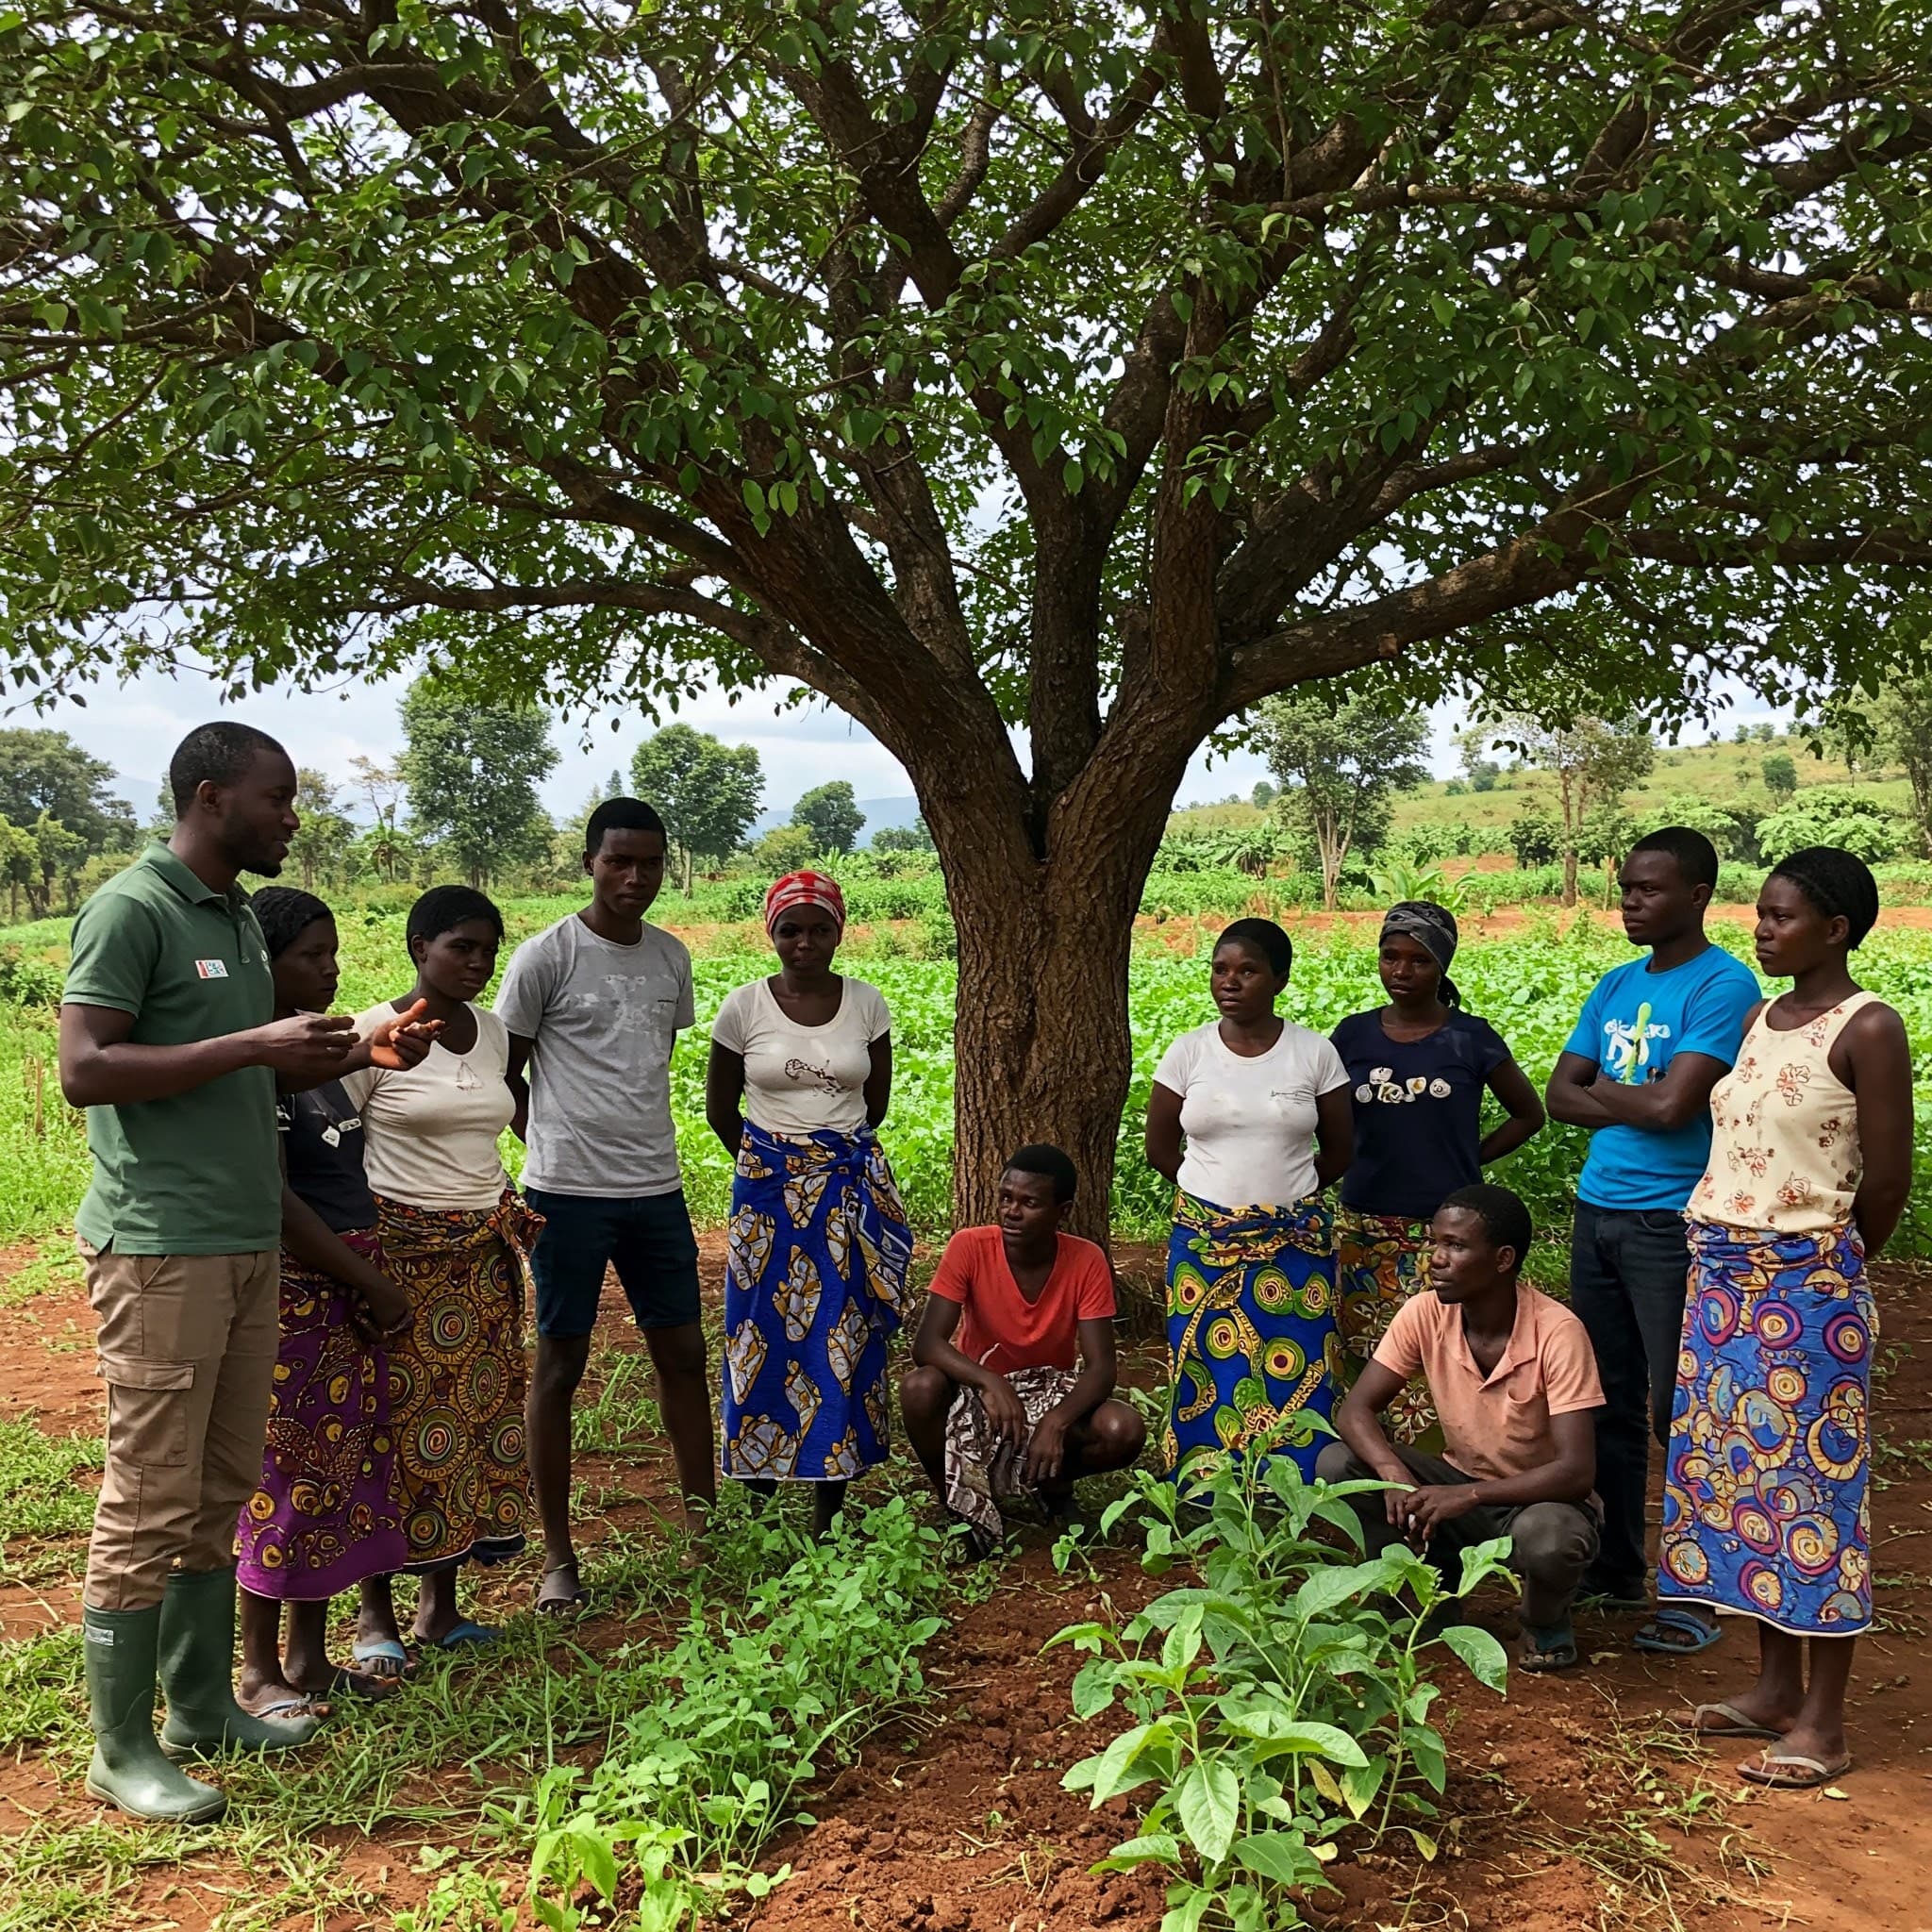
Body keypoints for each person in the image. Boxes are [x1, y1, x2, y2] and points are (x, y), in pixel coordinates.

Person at [58, 724, 360, 1823]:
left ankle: (197, 1707)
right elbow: (84, 1068)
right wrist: (250, 1047)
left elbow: (242, 1062)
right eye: (279, 796)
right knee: (147, 1493)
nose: (293, 814)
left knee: (220, 1482)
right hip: (161, 1245)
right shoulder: (133, 908)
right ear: (211, 793)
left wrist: (348, 1049)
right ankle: (119, 1746)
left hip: (244, 1241)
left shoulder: (235, 912)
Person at [1656, 848, 1911, 1788]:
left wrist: (1817, 1266)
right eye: (1758, 914)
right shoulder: (1762, 1016)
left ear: (1833, 928)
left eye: (1778, 916)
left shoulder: (1867, 1025)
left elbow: (1883, 1180)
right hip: (1720, 1287)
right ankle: (1767, 1688)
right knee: (1738, 1483)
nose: (1758, 928)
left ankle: (1822, 1720)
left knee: (1809, 1491)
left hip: (1804, 1296)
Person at [1544, 827, 1760, 1652]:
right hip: (1599, 1209)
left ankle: (1697, 1594)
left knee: (1682, 1405)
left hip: (1674, 1222)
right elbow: (1560, 1095)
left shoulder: (1722, 986)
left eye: (1649, 890)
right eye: (1627, 888)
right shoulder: (1615, 982)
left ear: (1698, 895)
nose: (1631, 902)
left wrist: (1614, 1087)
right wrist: (1638, 1092)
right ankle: (1621, 1568)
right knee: (1605, 1401)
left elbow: (1676, 1111)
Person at [496, 798, 713, 1613]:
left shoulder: (670, 958)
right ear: (589, 862)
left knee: (684, 1356)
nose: (635, 877)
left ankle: (703, 1527)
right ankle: (558, 1558)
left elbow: (646, 1061)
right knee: (559, 1366)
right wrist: (546, 1145)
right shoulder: (546, 957)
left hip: (655, 1188)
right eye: (618, 861)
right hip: (566, 1195)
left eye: (650, 863)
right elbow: (505, 1071)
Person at [235, 888, 428, 1713]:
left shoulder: (313, 1068)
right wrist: (374, 1285)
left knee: (336, 1475)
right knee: (282, 1480)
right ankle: (255, 1670)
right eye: (310, 956)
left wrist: (369, 1051)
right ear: (263, 967)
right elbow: (278, 1205)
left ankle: (308, 1660)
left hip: (345, 1298)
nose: (330, 970)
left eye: (333, 953)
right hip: (303, 1302)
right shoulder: (258, 1078)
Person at [347, 887, 541, 1657]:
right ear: (418, 947)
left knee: (466, 1424)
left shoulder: (492, 1034)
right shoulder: (373, 1032)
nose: (478, 963)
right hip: (402, 1259)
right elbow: (336, 1147)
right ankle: (375, 1618)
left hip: (480, 1258)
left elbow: (502, 1123)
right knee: (390, 1427)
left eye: (488, 950)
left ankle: (439, 1606)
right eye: (461, 946)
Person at [1320, 1183, 1605, 1672]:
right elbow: (1355, 1412)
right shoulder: (1426, 1312)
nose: (1435, 1258)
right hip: (1456, 1485)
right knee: (1341, 1462)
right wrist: (1394, 1474)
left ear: (1502, 1259)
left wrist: (1468, 1498)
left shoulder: (1558, 1333)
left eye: (1455, 1245)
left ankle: (1543, 1620)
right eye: (1434, 1242)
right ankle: (1424, 1594)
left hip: (1534, 1501)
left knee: (1551, 1538)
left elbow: (1576, 1471)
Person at [705, 871, 912, 1538]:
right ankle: (761, 1495)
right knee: (759, 1334)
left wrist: (823, 1162)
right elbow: (719, 1109)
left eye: (819, 928)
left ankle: (830, 1499)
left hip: (845, 1193)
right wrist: (779, 1167)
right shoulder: (743, 1008)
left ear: (839, 931)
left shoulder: (866, 1004)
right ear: (771, 933)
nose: (805, 942)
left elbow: (872, 1104)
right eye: (790, 929)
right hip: (765, 1198)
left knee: (839, 1336)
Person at [1143, 918, 1354, 1479]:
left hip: (1294, 1247)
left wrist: (1283, 1202)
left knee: (1300, 1359)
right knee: (1207, 1364)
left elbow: (1339, 1150)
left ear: (1279, 979)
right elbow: (1161, 1148)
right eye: (1219, 969)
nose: (1229, 982)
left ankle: (1302, 1487)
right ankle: (1208, 1489)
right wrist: (1214, 1203)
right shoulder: (1189, 1053)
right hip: (1204, 1244)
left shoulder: (1313, 1054)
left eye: (1247, 970)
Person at [1331, 903, 1544, 1443]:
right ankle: (1368, 1484)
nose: (1401, 972)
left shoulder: (1469, 1038)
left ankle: (1441, 1483)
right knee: (1362, 1357)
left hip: (1441, 1237)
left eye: (1419, 961)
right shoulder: (1352, 1037)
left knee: (1436, 1361)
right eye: (1390, 957)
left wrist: (1469, 1162)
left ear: (1442, 965)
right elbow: (1319, 1116)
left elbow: (1528, 1113)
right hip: (1361, 1229)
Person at [900, 1146, 1146, 1553]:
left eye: (1030, 1202)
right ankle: (956, 1503)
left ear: (1062, 1211)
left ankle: (1053, 1485)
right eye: (1006, 1198)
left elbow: (1102, 1368)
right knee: (919, 1387)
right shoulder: (970, 1247)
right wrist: (988, 1381)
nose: (1011, 1211)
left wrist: (1056, 1421)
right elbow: (926, 1343)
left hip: (1050, 1390)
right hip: (979, 1393)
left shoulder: (1085, 1260)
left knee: (1123, 1430)